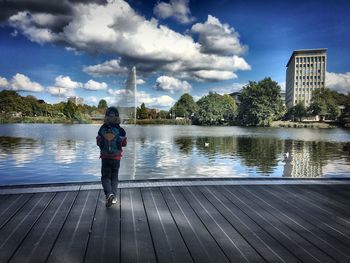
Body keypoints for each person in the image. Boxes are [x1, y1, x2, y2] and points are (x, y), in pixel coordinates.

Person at [96, 106, 127, 207]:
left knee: (105, 177)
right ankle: (113, 196)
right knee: (114, 176)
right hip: (116, 158)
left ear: (106, 116)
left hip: (105, 158)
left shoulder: (102, 128)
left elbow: (98, 141)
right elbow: (124, 143)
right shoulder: (120, 130)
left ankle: (109, 194)